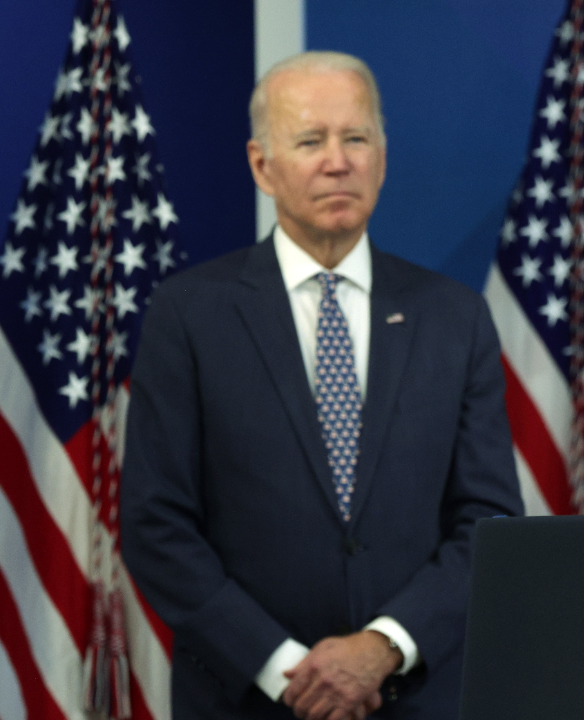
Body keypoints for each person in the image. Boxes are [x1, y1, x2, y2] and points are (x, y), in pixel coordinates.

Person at [121, 52, 522, 719]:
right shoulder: (188, 315)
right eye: (311, 141)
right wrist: (289, 670)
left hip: (411, 697)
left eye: (355, 138)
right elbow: (155, 523)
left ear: (382, 159)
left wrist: (383, 648)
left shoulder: (455, 317)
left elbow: (490, 520)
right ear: (262, 166)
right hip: (247, 700)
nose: (338, 162)